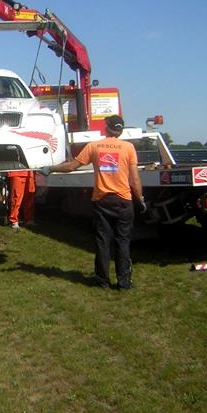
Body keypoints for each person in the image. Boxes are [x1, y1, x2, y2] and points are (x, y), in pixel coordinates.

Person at [41, 115, 146, 290]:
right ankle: (124, 282)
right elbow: (134, 180)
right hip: (123, 201)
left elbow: (71, 166)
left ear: (106, 128)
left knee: (103, 241)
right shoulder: (129, 148)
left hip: (102, 201)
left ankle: (102, 280)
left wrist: (50, 168)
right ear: (120, 130)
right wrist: (140, 199)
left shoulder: (94, 146)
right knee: (123, 241)